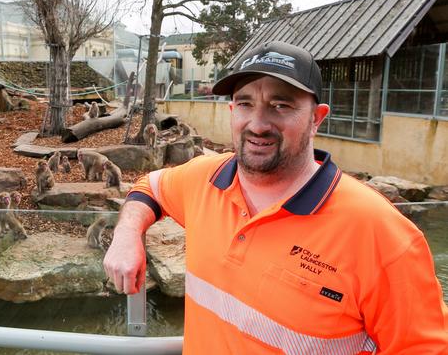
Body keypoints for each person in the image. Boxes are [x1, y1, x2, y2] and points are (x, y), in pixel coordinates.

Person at [103, 41, 448, 354]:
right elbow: (149, 188)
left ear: (316, 119)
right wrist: (127, 234)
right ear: (231, 112)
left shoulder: (381, 234)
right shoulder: (204, 177)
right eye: (245, 103)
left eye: (280, 105)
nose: (258, 123)